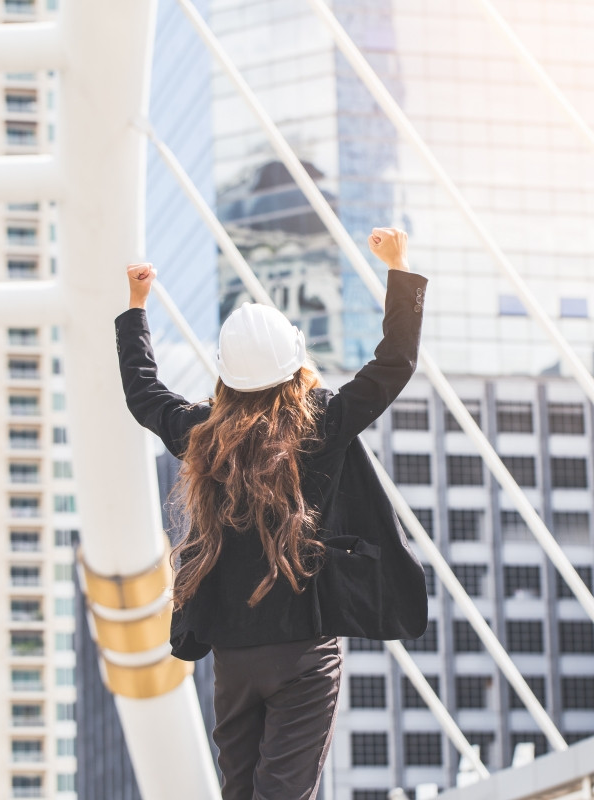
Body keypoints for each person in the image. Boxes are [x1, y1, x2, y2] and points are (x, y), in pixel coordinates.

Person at [114, 227, 427, 800]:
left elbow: (144, 394)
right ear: (295, 362)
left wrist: (136, 309)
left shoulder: (202, 437)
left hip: (233, 657)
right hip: (305, 649)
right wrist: (398, 267)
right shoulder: (320, 426)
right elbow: (394, 363)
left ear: (226, 375)